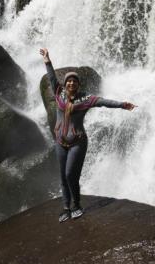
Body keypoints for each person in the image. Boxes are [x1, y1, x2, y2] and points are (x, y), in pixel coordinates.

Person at [40, 48, 136, 222]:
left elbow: (104, 102)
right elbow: (52, 77)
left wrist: (122, 104)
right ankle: (65, 208)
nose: (71, 84)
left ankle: (76, 204)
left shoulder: (86, 99)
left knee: (71, 175)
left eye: (74, 82)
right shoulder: (59, 93)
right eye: (69, 81)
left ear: (78, 85)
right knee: (62, 176)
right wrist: (47, 60)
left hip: (78, 142)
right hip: (60, 142)